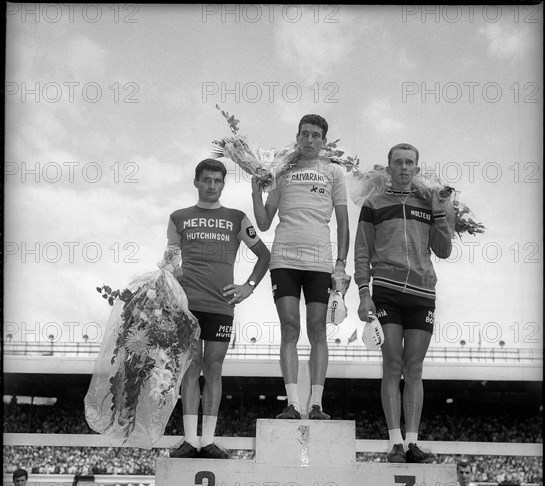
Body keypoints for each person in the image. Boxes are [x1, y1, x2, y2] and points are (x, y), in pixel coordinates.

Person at [354, 143, 454, 463]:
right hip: (386, 288)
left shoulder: (429, 202)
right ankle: (394, 442)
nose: (404, 167)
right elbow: (362, 252)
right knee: (392, 365)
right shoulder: (373, 203)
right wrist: (363, 292)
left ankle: (412, 442)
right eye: (398, 162)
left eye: (409, 162)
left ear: (417, 169)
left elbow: (444, 250)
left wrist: (440, 211)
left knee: (414, 368)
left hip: (423, 292)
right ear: (388, 168)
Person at [166, 159, 270, 459]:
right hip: (185, 306)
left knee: (213, 368)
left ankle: (208, 441)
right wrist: (168, 282)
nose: (212, 185)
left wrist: (248, 286)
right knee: (190, 367)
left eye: (218, 181)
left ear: (223, 184)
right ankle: (189, 441)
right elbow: (170, 260)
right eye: (207, 180)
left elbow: (264, 255)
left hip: (221, 306)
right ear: (196, 181)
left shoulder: (237, 218)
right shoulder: (178, 217)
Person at [251, 114, 349, 420]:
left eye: (315, 135)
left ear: (323, 141)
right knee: (290, 328)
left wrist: (341, 264)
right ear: (297, 137)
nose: (309, 140)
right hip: (284, 260)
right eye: (304, 134)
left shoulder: (333, 172)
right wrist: (256, 191)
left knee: (318, 329)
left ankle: (316, 404)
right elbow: (265, 223)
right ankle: (292, 404)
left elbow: (344, 223)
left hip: (320, 262)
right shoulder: (282, 172)